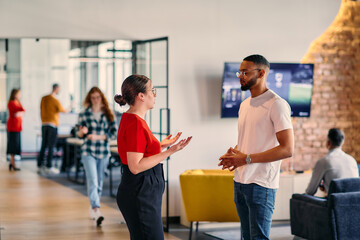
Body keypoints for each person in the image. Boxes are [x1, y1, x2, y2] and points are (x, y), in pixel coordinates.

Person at [218, 54, 294, 240]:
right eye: (239, 71)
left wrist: (245, 158)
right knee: (246, 237)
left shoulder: (277, 105)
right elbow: (251, 139)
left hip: (262, 184)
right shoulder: (244, 104)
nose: (240, 76)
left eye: (245, 72)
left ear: (261, 73)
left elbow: (287, 149)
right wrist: (235, 154)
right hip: (241, 182)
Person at [114, 74, 192, 240]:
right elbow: (135, 166)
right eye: (152, 90)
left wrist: (160, 145)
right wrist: (170, 151)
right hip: (140, 192)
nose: (155, 95)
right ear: (141, 96)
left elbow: (139, 150)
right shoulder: (135, 123)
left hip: (140, 191)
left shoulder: (131, 118)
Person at [77, 86, 117, 227]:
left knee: (99, 181)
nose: (95, 100)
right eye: (92, 97)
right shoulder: (84, 114)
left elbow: (113, 133)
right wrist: (83, 132)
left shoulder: (108, 114)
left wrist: (98, 137)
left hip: (103, 151)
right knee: (93, 180)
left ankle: (94, 206)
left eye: (97, 97)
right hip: (88, 151)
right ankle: (96, 208)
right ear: (89, 98)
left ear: (101, 98)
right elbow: (78, 133)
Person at [305, 128, 359, 196]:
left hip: (335, 204)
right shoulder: (352, 160)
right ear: (342, 142)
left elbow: (310, 191)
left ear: (328, 142)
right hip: (355, 204)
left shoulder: (323, 162)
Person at [37, 83, 67, 174]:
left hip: (44, 124)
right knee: (51, 146)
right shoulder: (55, 100)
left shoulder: (44, 98)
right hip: (52, 125)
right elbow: (63, 111)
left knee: (43, 145)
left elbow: (41, 109)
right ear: (56, 89)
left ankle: (39, 165)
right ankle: (49, 166)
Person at [7, 88, 25, 171]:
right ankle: (12, 163)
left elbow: (22, 111)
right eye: (19, 94)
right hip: (12, 126)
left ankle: (12, 163)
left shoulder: (18, 103)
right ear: (15, 94)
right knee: (12, 145)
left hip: (18, 127)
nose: (20, 95)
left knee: (16, 144)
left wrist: (19, 113)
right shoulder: (11, 103)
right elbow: (15, 114)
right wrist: (19, 113)